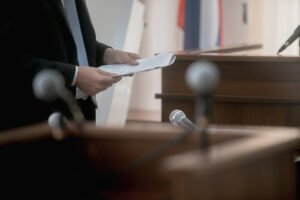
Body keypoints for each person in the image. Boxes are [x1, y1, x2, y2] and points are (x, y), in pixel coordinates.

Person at [0, 0, 140, 130]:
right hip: (30, 124)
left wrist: (105, 54)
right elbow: (8, 59)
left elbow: (66, 40)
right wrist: (74, 76)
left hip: (80, 118)